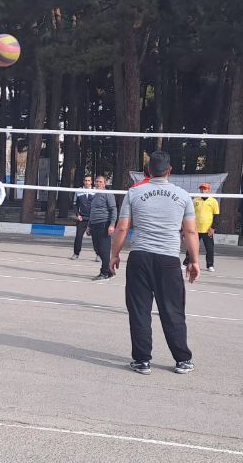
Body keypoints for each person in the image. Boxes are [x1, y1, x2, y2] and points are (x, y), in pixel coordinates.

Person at [109, 150, 199, 375]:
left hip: (140, 257)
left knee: (139, 310)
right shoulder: (183, 195)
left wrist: (114, 254)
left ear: (148, 171)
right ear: (170, 171)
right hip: (168, 259)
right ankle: (182, 360)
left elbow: (122, 227)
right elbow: (190, 231)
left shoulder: (134, 192)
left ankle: (142, 361)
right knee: (173, 310)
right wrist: (195, 260)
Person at [87, 175, 117, 280]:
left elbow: (113, 210)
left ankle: (105, 272)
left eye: (100, 182)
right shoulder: (95, 195)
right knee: (97, 249)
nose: (98, 183)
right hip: (94, 225)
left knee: (104, 250)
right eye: (97, 181)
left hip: (104, 224)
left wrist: (112, 225)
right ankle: (109, 270)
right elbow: (92, 212)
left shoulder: (108, 194)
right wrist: (89, 226)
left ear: (104, 184)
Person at [191, 182, 219, 273]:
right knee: (192, 247)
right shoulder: (195, 200)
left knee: (210, 248)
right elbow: (190, 214)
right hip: (196, 229)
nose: (203, 190)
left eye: (205, 189)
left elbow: (216, 216)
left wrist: (213, 228)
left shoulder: (213, 201)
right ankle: (187, 263)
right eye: (201, 189)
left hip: (207, 230)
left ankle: (210, 265)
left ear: (209, 190)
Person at [71, 173, 93, 259]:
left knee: (96, 238)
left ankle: (98, 254)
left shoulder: (95, 191)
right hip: (82, 218)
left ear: (91, 182)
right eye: (86, 180)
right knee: (78, 237)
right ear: (83, 181)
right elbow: (75, 204)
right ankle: (76, 253)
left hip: (92, 219)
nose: (87, 182)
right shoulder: (79, 191)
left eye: (89, 180)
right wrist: (78, 215)